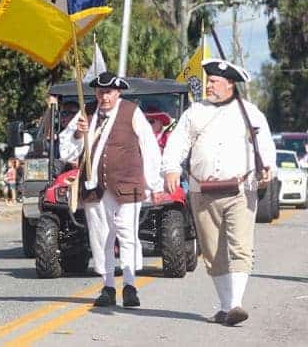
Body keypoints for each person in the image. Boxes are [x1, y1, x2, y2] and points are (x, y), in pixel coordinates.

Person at [162, 58, 275, 326]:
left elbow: (265, 145)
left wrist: (268, 168)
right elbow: (178, 143)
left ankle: (236, 303)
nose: (208, 86)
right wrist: (171, 168)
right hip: (203, 190)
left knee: (240, 246)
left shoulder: (250, 112)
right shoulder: (194, 112)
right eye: (208, 81)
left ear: (230, 84)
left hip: (240, 190)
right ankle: (227, 307)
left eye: (214, 82)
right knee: (213, 251)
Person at [59, 71, 162, 308]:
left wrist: (153, 183)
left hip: (128, 185)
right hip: (94, 187)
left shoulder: (131, 111)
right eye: (100, 92)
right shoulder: (87, 113)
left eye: (109, 92)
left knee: (127, 234)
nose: (104, 97)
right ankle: (107, 286)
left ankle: (129, 285)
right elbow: (67, 151)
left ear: (118, 93)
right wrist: (78, 133)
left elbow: (149, 146)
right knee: (101, 237)